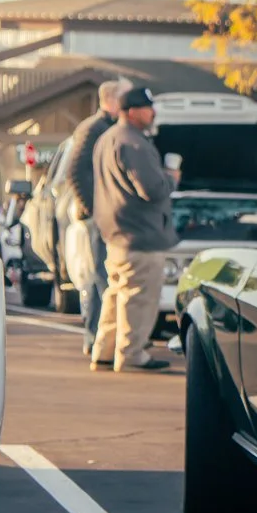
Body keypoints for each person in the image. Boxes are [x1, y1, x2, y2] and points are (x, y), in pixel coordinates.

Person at [91, 86, 177, 373]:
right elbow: (152, 189)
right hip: (141, 235)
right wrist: (171, 178)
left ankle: (104, 351)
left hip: (116, 234)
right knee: (139, 299)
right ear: (131, 111)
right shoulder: (135, 143)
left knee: (116, 294)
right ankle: (131, 355)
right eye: (147, 107)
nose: (152, 112)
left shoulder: (107, 139)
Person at [59, 80, 129, 354]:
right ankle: (95, 340)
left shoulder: (104, 127)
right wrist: (95, 209)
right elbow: (74, 172)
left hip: (104, 216)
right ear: (111, 100)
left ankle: (102, 340)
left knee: (104, 277)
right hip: (96, 218)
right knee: (100, 277)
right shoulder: (93, 129)